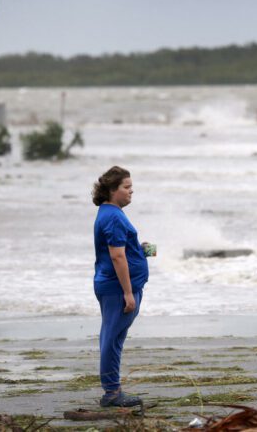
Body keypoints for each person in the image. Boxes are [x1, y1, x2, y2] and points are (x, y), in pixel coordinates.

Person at [91, 166, 149, 407]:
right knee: (112, 339)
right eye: (126, 187)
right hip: (117, 289)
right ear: (113, 190)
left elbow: (121, 250)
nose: (131, 191)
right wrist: (127, 292)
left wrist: (140, 249)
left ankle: (112, 390)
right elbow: (117, 257)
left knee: (113, 337)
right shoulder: (113, 216)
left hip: (114, 286)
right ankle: (112, 392)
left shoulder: (110, 213)